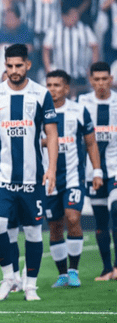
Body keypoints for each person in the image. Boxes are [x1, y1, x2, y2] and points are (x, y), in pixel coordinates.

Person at [0, 44, 58, 302]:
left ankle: (30, 285)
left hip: (33, 177)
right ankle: (9, 278)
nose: (13, 71)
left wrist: (52, 168)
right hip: (2, 175)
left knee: (32, 232)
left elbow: (52, 133)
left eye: (18, 66)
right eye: (9, 66)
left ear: (28, 65)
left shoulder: (41, 95)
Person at [43, 70, 103, 288]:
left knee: (73, 218)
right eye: (49, 84)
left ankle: (73, 270)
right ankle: (62, 274)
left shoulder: (79, 111)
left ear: (67, 89)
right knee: (55, 226)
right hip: (48, 178)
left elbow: (90, 143)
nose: (52, 89)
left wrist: (97, 171)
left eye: (57, 85)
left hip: (73, 177)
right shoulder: (39, 112)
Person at [77, 61, 117, 280]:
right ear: (91, 81)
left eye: (105, 79)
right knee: (101, 220)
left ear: (111, 79)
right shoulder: (82, 104)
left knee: (116, 210)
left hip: (116, 168)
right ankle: (107, 268)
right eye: (97, 79)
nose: (101, 83)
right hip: (93, 171)